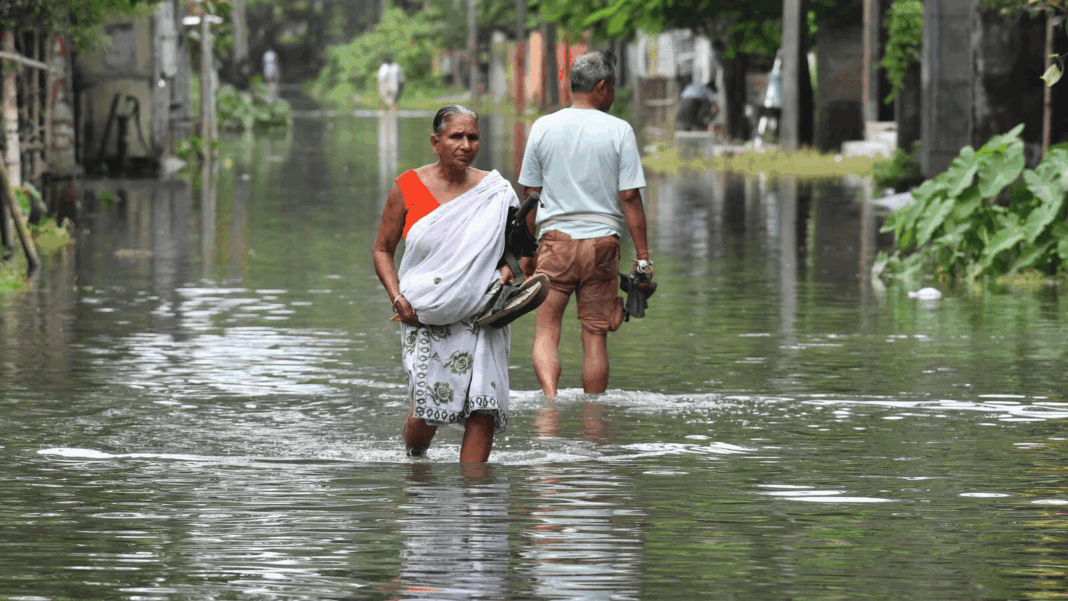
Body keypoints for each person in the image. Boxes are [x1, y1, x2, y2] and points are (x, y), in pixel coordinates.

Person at [372, 104, 522, 463]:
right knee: (427, 412)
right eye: (456, 136)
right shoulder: (407, 187)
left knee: (481, 409)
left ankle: (474, 502)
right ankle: (415, 461)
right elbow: (382, 249)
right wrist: (397, 298)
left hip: (483, 312)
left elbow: (520, 251)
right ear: (435, 142)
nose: (466, 145)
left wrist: (509, 272)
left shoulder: (497, 193)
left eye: (473, 137)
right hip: (423, 313)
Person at [517, 50, 653, 398]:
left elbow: (531, 196)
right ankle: (594, 423)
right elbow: (630, 199)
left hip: (555, 244)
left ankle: (549, 409)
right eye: (614, 87)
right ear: (602, 87)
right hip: (601, 248)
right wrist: (643, 258)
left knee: (547, 331)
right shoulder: (619, 131)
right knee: (595, 338)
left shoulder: (543, 127)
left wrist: (526, 252)